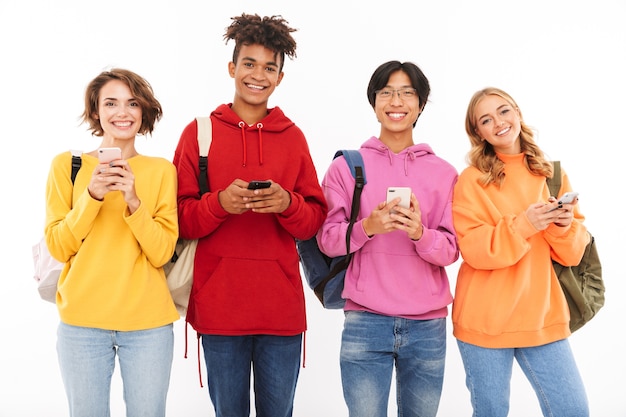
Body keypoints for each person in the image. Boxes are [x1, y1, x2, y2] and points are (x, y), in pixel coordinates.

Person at [172, 13, 327, 417]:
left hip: (281, 311)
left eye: (269, 67)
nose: (258, 75)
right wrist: (220, 204)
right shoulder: (198, 133)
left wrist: (286, 205)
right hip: (219, 307)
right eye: (249, 64)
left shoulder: (293, 137)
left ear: (279, 78)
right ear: (232, 68)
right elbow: (179, 219)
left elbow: (313, 221)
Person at [317, 60, 459, 417]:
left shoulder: (444, 173)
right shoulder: (346, 167)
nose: (397, 101)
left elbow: (451, 251)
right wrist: (369, 227)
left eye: (407, 93)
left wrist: (418, 233)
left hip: (427, 326)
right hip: (365, 322)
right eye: (387, 92)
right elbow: (328, 240)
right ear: (374, 101)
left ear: (421, 104)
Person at [44, 68, 179, 417]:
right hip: (82, 323)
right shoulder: (69, 166)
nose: (123, 112)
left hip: (148, 326)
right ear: (95, 112)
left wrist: (134, 201)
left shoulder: (161, 170)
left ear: (143, 111)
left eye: (132, 103)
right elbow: (59, 246)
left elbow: (162, 251)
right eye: (111, 103)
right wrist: (92, 195)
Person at [451, 87, 590, 416]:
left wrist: (561, 224)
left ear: (518, 112)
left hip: (541, 317)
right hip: (484, 321)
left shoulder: (551, 174)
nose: (498, 122)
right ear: (478, 133)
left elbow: (572, 255)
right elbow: (474, 249)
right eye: (486, 119)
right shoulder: (471, 180)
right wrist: (525, 224)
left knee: (573, 409)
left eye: (503, 111)